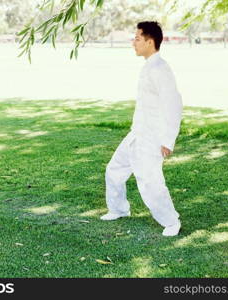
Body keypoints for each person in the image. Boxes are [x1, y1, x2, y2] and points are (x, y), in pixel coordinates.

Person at [100, 21, 183, 237]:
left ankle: (171, 221)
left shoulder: (161, 69)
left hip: (151, 138)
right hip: (137, 134)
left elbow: (173, 105)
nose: (133, 43)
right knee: (114, 170)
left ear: (150, 41)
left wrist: (168, 140)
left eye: (137, 39)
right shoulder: (149, 66)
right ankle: (118, 209)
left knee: (150, 182)